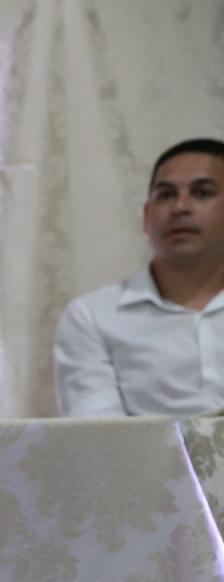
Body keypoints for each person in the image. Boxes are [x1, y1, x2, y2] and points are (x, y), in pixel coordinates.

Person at [55, 137, 224, 417]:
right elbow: (98, 431)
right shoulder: (93, 316)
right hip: (141, 449)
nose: (180, 207)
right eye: (165, 195)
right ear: (146, 216)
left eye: (203, 192)